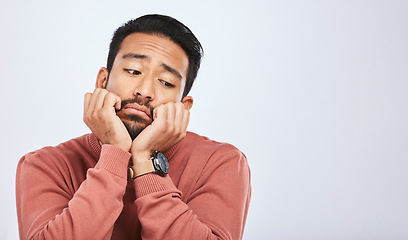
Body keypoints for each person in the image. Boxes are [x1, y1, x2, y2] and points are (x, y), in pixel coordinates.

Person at [16, 14, 251, 240]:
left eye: (166, 82)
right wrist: (115, 151)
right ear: (102, 82)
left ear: (184, 107)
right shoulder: (44, 165)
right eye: (133, 71)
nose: (145, 91)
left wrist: (146, 163)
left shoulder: (221, 162)